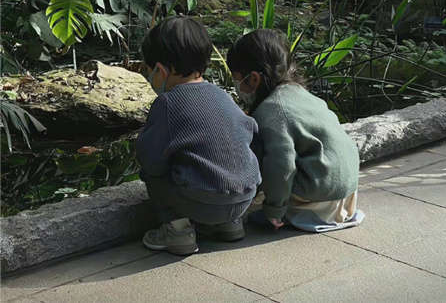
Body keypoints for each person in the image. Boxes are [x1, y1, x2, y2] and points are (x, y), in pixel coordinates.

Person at [136, 16, 261, 255]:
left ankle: (177, 232)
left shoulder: (168, 103)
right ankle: (229, 225)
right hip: (244, 199)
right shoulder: (223, 96)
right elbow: (251, 133)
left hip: (204, 205)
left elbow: (150, 160)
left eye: (149, 71)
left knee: (152, 173)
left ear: (161, 70)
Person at [227, 29, 365, 233]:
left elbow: (281, 165)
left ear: (254, 78)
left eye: (236, 78)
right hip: (347, 189)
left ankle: (290, 212)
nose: (236, 85)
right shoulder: (301, 94)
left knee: (259, 149)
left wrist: (274, 209)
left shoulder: (272, 109)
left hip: (321, 192)